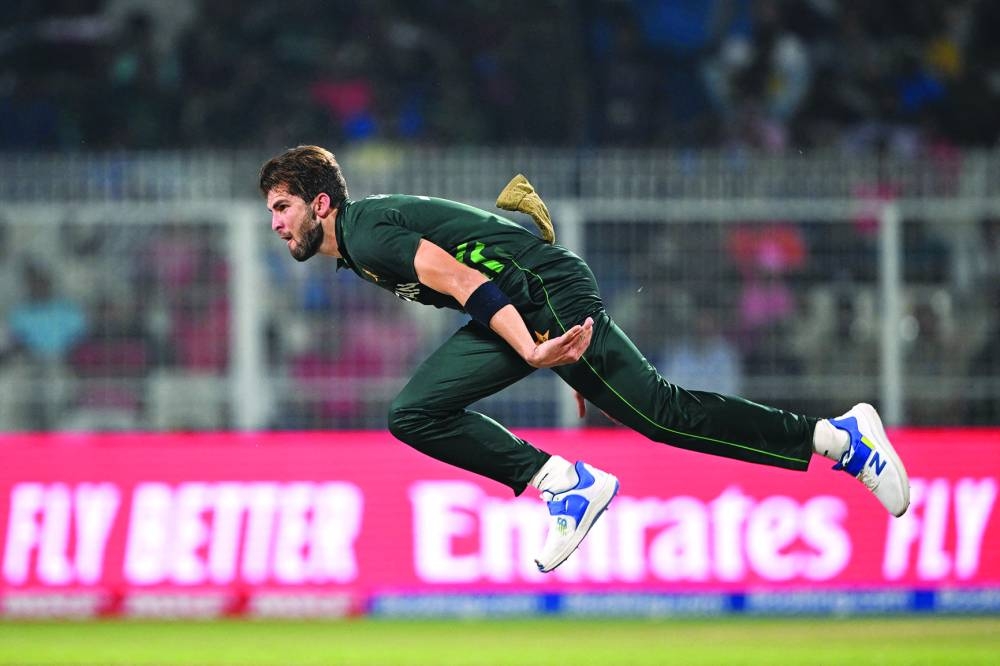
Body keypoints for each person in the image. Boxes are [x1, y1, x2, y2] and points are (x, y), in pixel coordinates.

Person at [258, 145, 910, 573]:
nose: (276, 223)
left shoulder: (366, 234)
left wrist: (532, 348)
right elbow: (483, 258)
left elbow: (461, 279)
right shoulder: (361, 243)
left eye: (283, 207)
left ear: (321, 203)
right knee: (415, 412)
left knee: (661, 414)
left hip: (543, 295)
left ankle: (838, 438)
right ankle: (563, 483)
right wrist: (560, 362)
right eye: (271, 212)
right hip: (530, 294)